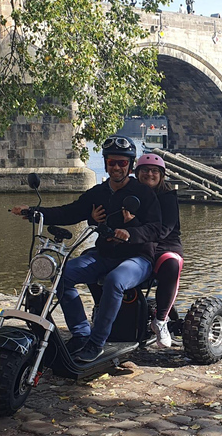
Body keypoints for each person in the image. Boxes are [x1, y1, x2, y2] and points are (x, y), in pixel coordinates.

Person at [11, 135, 162, 362]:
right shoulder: (98, 193)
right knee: (62, 275)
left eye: (122, 163)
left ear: (130, 165)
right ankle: (82, 334)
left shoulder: (144, 193)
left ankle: (96, 343)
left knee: (115, 280)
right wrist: (34, 212)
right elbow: (70, 212)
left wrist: (131, 232)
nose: (117, 167)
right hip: (105, 254)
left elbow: (156, 229)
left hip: (138, 258)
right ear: (105, 163)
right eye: (112, 162)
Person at [132, 153, 183, 348]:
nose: (149, 174)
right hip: (138, 244)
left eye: (155, 171)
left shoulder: (167, 198)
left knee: (171, 264)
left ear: (162, 175)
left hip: (164, 244)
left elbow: (164, 230)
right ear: (137, 173)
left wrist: (132, 227)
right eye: (145, 170)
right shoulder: (130, 193)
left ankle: (160, 320)